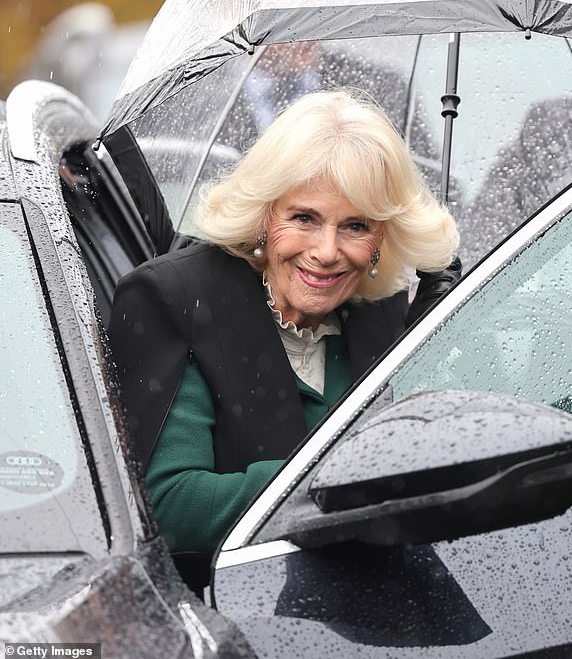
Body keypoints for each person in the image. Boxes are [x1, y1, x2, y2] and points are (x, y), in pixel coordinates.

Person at [108, 89, 460, 592]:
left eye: (356, 226)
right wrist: (342, 477)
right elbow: (170, 505)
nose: (326, 252)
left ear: (383, 237)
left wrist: (437, 340)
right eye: (304, 218)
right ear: (265, 213)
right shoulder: (176, 298)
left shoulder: (381, 307)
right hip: (232, 605)